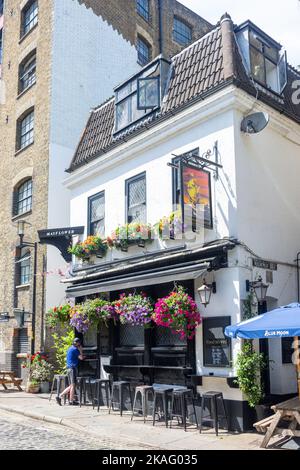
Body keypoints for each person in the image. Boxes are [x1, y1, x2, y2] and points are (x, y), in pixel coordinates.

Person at [56, 338, 84, 406]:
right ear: (78, 343)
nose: (79, 345)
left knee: (72, 385)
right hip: (73, 368)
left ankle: (70, 401)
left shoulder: (70, 348)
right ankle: (60, 396)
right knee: (73, 385)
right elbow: (81, 358)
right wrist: (81, 351)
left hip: (69, 368)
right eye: (78, 344)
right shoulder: (75, 349)